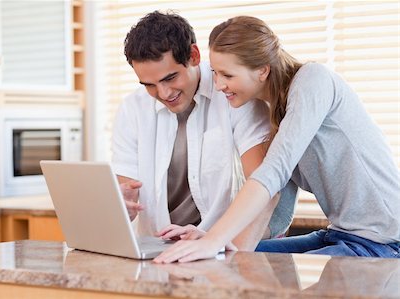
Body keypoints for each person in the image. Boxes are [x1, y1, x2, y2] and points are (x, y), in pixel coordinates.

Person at [154, 15, 400, 262]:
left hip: (384, 242)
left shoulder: (313, 80)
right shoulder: (272, 112)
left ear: (262, 70)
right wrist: (214, 240)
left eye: (227, 75)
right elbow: (279, 212)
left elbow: (271, 174)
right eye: (215, 74)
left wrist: (213, 240)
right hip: (339, 235)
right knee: (226, 261)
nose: (218, 85)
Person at [112, 11, 297, 249]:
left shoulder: (234, 94)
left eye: (170, 78)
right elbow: (128, 196)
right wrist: (122, 208)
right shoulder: (132, 109)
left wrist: (229, 251)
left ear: (194, 56)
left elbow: (265, 186)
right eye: (149, 85)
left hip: (222, 246)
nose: (164, 94)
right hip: (158, 251)